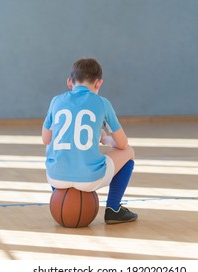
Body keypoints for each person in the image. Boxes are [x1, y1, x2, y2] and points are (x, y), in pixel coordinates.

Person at [42, 58, 137, 224]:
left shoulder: (56, 101)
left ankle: (59, 195)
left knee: (50, 146)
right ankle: (113, 209)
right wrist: (105, 138)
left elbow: (46, 139)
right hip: (89, 179)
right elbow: (122, 144)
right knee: (129, 152)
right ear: (98, 83)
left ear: (70, 82)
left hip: (55, 177)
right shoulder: (102, 103)